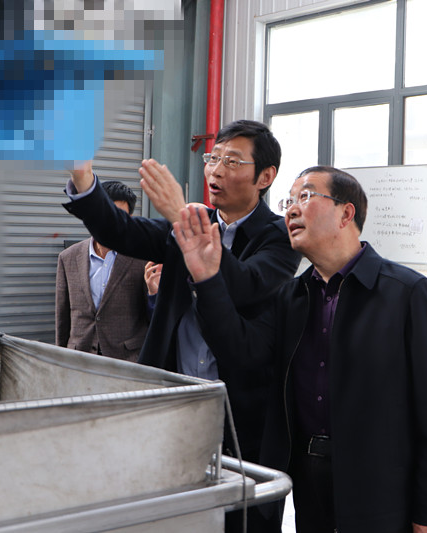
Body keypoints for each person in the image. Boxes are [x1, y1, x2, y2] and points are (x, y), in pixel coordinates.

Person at [175, 166, 427, 533]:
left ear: (346, 213)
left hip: (381, 486)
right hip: (309, 484)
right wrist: (206, 278)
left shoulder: (407, 294)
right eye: (289, 201)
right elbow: (242, 353)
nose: (291, 209)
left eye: (306, 196)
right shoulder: (290, 298)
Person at [63, 120, 301, 532]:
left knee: (240, 519)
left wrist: (182, 218)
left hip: (239, 412)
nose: (215, 170)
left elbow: (245, 286)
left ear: (265, 177)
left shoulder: (278, 236)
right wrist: (83, 175)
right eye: (213, 158)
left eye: (232, 161)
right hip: (176, 400)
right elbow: (118, 230)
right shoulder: (191, 220)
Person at [55, 180, 150, 362]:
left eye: (118, 216)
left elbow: (152, 315)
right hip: (79, 358)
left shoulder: (142, 257)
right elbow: (63, 318)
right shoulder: (68, 258)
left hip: (126, 360)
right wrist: (60, 361)